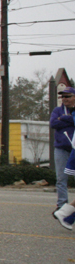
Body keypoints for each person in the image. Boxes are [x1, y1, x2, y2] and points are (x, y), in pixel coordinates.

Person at [50, 86, 75, 214]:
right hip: (61, 149)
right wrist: (70, 121)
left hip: (74, 150)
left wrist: (64, 118)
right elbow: (53, 124)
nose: (64, 99)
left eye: (68, 96)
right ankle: (61, 206)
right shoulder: (57, 110)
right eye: (63, 96)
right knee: (61, 179)